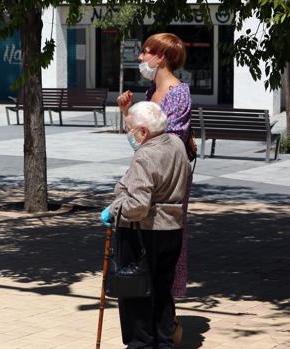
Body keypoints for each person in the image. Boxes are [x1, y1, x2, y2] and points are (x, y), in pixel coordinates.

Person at [117, 32, 192, 342]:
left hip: (166, 187)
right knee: (147, 269)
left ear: (162, 57)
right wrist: (127, 114)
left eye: (147, 52)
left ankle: (160, 329)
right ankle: (156, 329)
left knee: (157, 265)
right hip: (148, 180)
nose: (141, 57)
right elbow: (143, 141)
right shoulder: (151, 91)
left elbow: (161, 145)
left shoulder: (178, 93)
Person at [100, 101, 190, 348]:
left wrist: (114, 208)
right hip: (172, 228)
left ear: (143, 131)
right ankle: (164, 342)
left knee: (135, 293)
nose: (127, 133)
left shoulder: (145, 154)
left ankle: (141, 344)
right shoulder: (175, 143)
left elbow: (137, 207)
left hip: (144, 233)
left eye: (129, 128)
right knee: (162, 292)